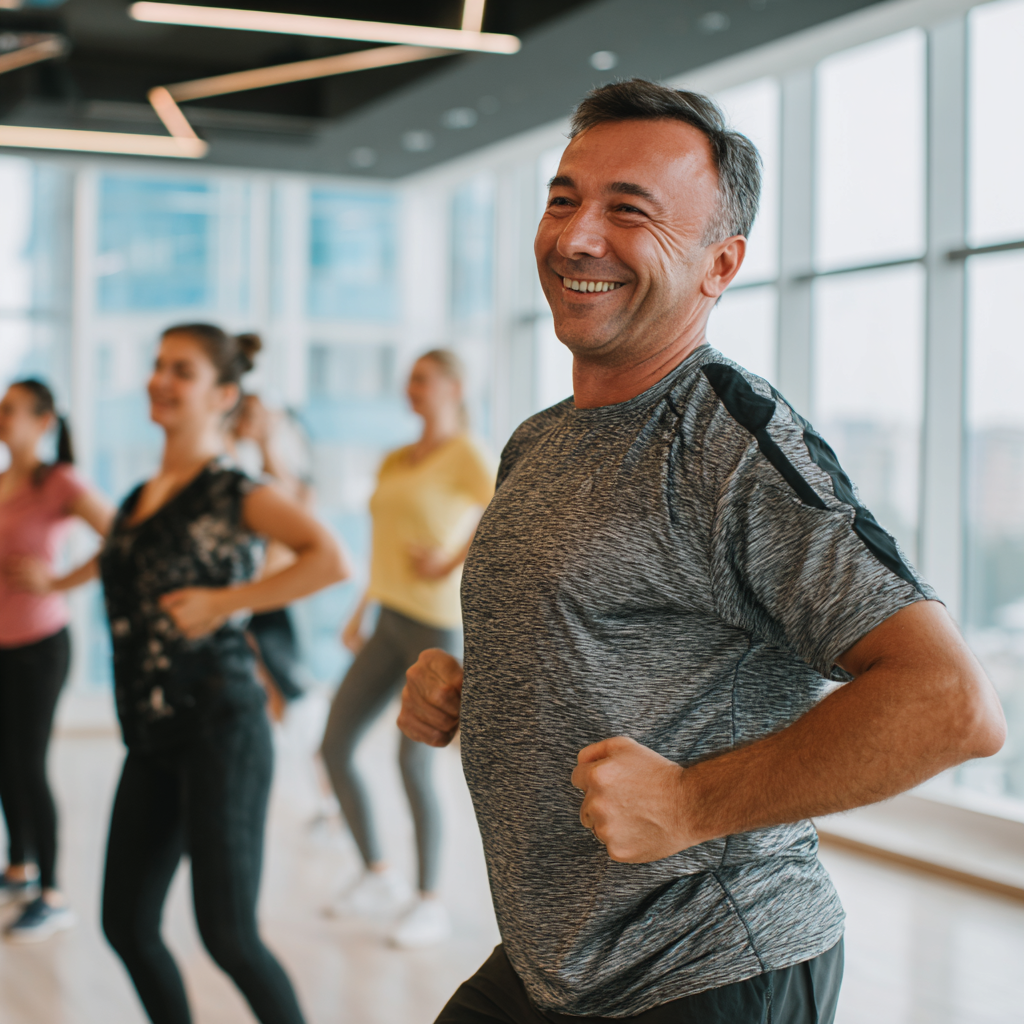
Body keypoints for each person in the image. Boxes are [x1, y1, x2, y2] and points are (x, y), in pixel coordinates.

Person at [398, 80, 1006, 1024]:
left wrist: (690, 803)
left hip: (708, 963)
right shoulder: (540, 439)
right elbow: (618, 642)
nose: (577, 237)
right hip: (554, 960)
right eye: (564, 199)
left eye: (627, 212)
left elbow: (950, 704)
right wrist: (476, 686)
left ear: (720, 264)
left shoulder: (729, 444)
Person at [98, 324, 348, 1024]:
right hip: (150, 733)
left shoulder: (233, 490)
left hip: (221, 726)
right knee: (126, 923)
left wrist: (228, 603)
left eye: (182, 370)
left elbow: (329, 558)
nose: (160, 380)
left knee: (229, 936)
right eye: (156, 366)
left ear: (224, 396)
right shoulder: (138, 497)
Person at [320, 349, 494, 949]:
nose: (409, 386)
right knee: (335, 744)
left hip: (435, 626)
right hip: (388, 616)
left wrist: (449, 558)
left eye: (422, 378)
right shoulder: (395, 456)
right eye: (409, 378)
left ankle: (430, 901)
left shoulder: (468, 454)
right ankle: (377, 874)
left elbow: (505, 513)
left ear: (454, 386)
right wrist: (361, 607)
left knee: (412, 761)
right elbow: (383, 541)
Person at [0, 380, 114, 942]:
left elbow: (120, 536)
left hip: (40, 646)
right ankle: (18, 866)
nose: (3, 419)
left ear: (45, 421)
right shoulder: (1, 484)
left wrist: (59, 581)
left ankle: (53, 891)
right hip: (0, 644)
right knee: (4, 760)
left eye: (12, 411)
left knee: (29, 763)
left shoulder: (59, 482)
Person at [227, 390, 314, 717]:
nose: (248, 421)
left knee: (287, 687)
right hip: (246, 592)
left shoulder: (281, 464)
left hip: (275, 592)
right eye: (244, 414)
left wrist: (266, 441)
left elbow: (297, 511)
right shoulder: (230, 458)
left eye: (256, 415)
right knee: (259, 685)